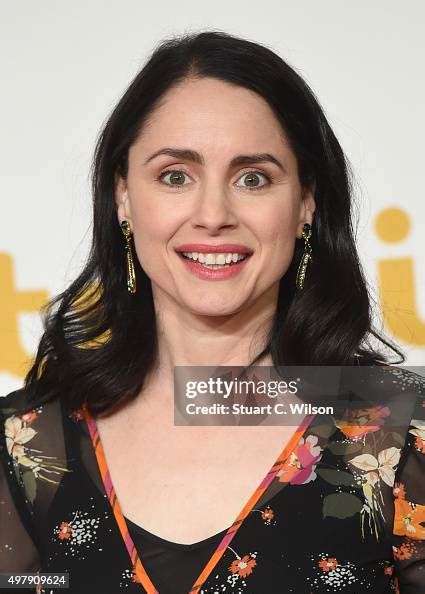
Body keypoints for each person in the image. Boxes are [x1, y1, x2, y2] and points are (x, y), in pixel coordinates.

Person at [1, 29, 424, 594]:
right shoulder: (23, 444)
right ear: (123, 196)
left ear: (305, 202)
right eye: (176, 176)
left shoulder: (402, 432)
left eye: (253, 178)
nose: (213, 214)